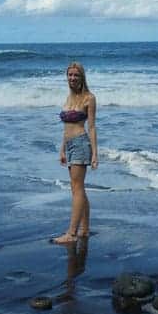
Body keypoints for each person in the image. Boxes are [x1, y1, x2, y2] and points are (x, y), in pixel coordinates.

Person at [52, 62, 98, 244]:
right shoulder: (68, 98)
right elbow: (66, 128)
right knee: (78, 189)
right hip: (69, 145)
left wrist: (95, 154)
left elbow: (92, 127)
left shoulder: (89, 98)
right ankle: (84, 229)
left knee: (77, 189)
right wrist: (62, 149)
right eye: (70, 75)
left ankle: (71, 234)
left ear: (82, 77)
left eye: (76, 75)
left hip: (81, 144)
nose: (72, 78)